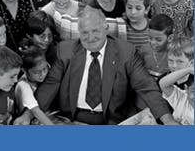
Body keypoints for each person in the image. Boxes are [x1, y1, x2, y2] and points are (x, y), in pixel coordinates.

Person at [34, 7, 176, 124]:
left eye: (95, 31)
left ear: (106, 28)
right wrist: (29, 114)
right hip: (71, 120)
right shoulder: (65, 50)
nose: (90, 38)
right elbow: (50, 84)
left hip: (110, 121)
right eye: (85, 32)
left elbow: (146, 87)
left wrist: (167, 119)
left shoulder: (126, 52)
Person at [159, 38, 193, 125]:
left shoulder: (192, 83)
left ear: (191, 62)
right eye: (170, 61)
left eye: (180, 62)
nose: (174, 66)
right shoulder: (164, 79)